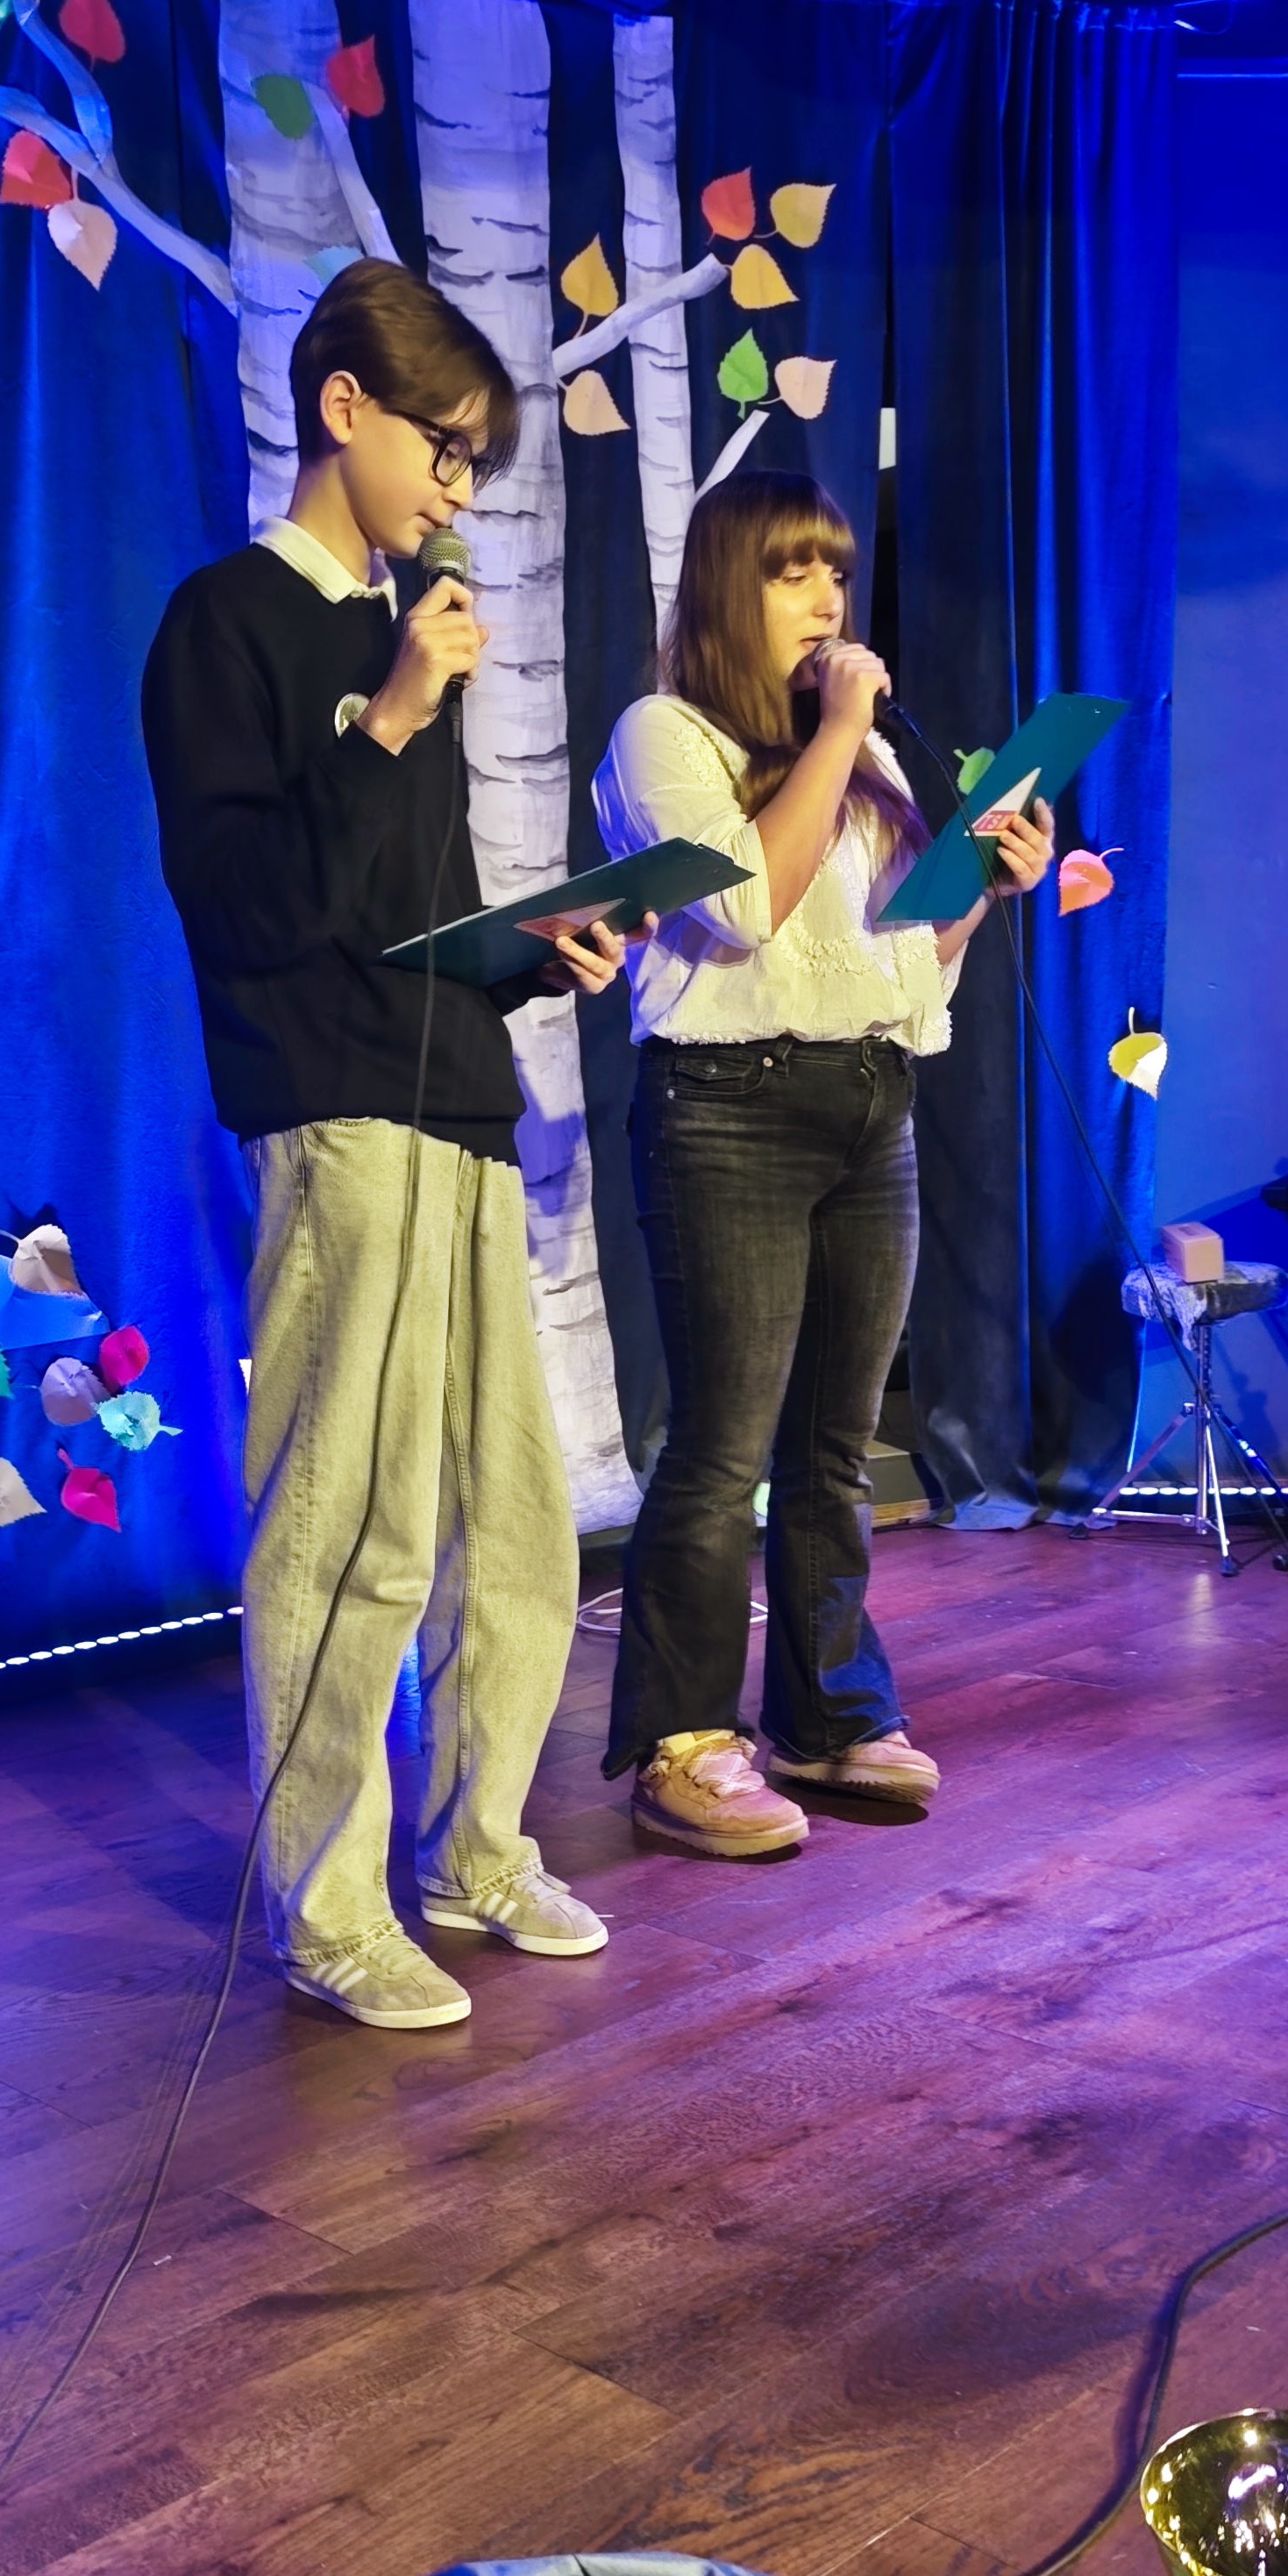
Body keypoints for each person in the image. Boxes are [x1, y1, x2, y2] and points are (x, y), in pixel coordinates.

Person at [143, 259, 638, 2029]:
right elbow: (253, 912)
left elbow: (400, 920)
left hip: (459, 1115)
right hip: (336, 1121)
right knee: (347, 1529)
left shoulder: (397, 637)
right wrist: (397, 715)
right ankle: (327, 1904)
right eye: (446, 446)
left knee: (514, 1527)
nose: (457, 488)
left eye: (478, 461)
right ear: (342, 405)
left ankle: (477, 1846)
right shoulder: (226, 625)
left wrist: (534, 951)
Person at [592, 467, 1053, 1859]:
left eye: (838, 575)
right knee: (721, 1446)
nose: (826, 601)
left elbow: (901, 961)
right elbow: (743, 908)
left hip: (870, 1096)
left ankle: (828, 1714)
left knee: (834, 1449)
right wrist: (843, 724)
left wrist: (985, 890)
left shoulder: (866, 764)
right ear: (729, 586)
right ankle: (682, 1744)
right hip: (726, 1105)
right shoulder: (663, 735)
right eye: (794, 572)